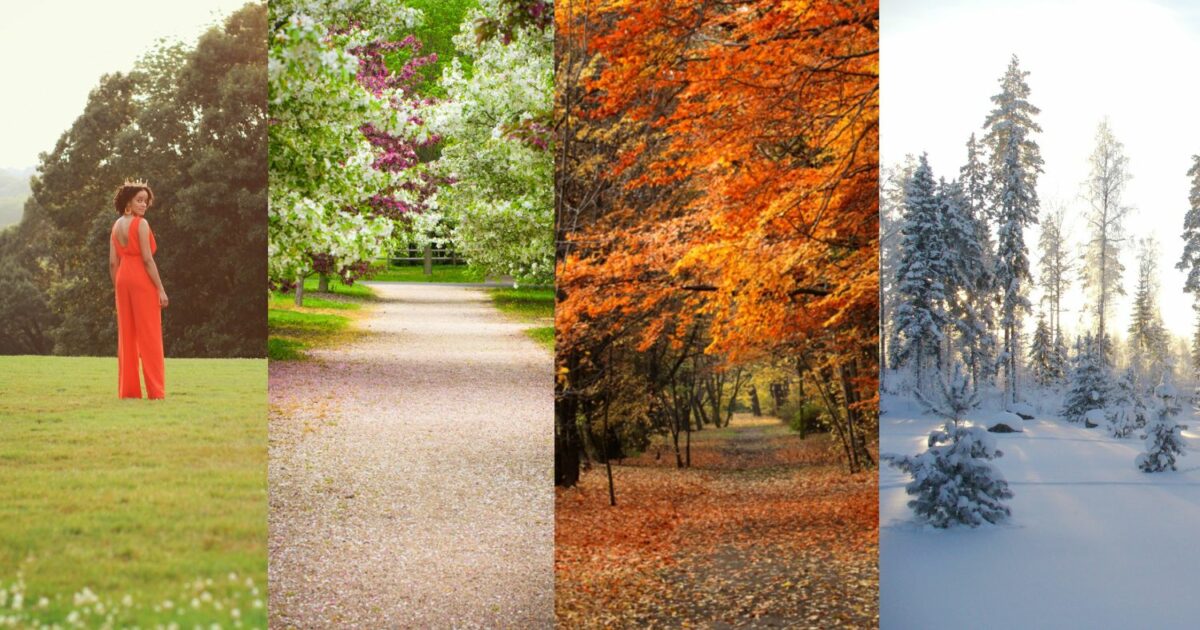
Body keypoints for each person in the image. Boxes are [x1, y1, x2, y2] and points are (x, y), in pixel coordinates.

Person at [108, 179, 168, 399]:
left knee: (127, 335)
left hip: (122, 278)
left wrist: (118, 286)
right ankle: (156, 391)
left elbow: (113, 263)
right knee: (150, 334)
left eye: (146, 201)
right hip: (141, 278)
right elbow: (147, 259)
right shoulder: (141, 224)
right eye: (139, 200)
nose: (144, 205)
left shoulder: (115, 226)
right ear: (128, 202)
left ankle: (129, 391)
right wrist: (160, 289)